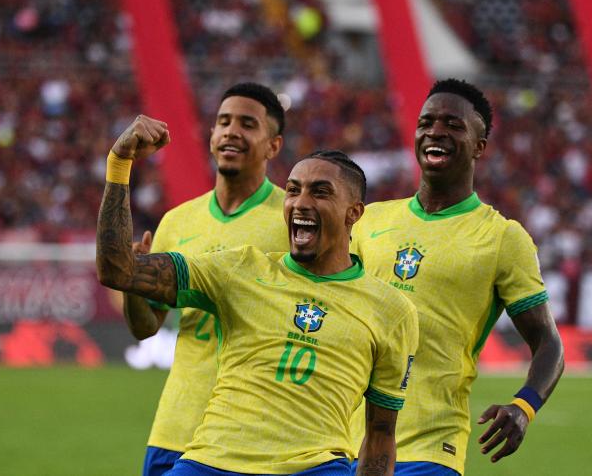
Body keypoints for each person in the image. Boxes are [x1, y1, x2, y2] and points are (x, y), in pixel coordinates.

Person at [96, 115, 420, 476]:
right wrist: (119, 163)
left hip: (313, 469)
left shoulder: (391, 310)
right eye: (293, 190)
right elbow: (118, 270)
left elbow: (380, 434)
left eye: (320, 192)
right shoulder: (241, 269)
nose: (301, 202)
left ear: (354, 213)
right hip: (210, 464)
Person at [349, 78, 565, 475]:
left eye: (453, 125)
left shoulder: (502, 237)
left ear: (479, 147)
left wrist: (524, 406)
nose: (435, 131)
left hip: (429, 448)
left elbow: (549, 342)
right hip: (343, 444)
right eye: (426, 122)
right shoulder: (369, 221)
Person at [120, 83, 290, 476]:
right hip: (175, 429)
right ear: (212, 136)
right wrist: (132, 282)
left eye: (248, 124)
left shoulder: (291, 220)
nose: (231, 132)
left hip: (253, 436)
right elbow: (146, 326)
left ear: (273, 146)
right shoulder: (177, 222)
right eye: (223, 122)